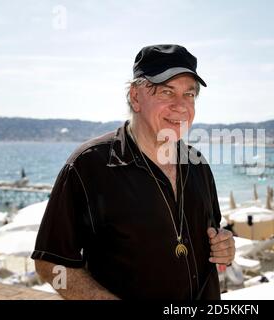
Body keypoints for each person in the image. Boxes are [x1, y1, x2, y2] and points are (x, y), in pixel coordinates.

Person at [32, 44, 235, 300]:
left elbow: (214, 233)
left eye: (189, 95)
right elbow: (50, 263)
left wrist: (225, 246)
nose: (181, 106)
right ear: (136, 97)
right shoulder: (88, 166)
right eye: (166, 92)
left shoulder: (198, 163)